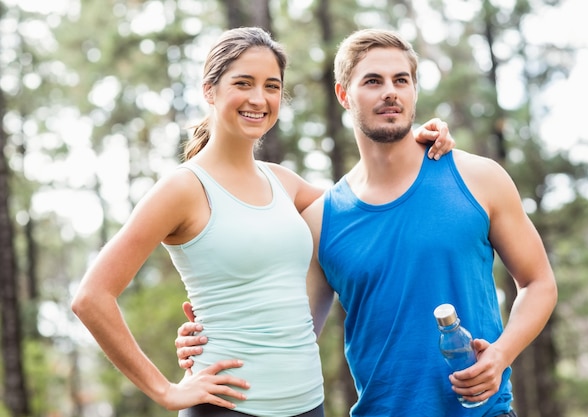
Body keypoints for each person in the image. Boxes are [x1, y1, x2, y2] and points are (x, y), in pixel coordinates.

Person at [71, 27, 455, 416]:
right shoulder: (184, 188)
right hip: (227, 406)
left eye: (271, 86)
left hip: (307, 404)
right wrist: (165, 391)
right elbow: (91, 297)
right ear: (210, 90)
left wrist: (415, 143)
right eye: (243, 83)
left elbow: (370, 200)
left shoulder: (285, 184)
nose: (259, 98)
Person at [176, 28, 558, 417]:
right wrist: (208, 340)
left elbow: (538, 283)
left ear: (414, 91)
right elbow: (290, 335)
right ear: (344, 94)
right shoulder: (321, 219)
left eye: (401, 80)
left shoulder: (480, 179)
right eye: (373, 81)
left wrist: (501, 354)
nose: (389, 91)